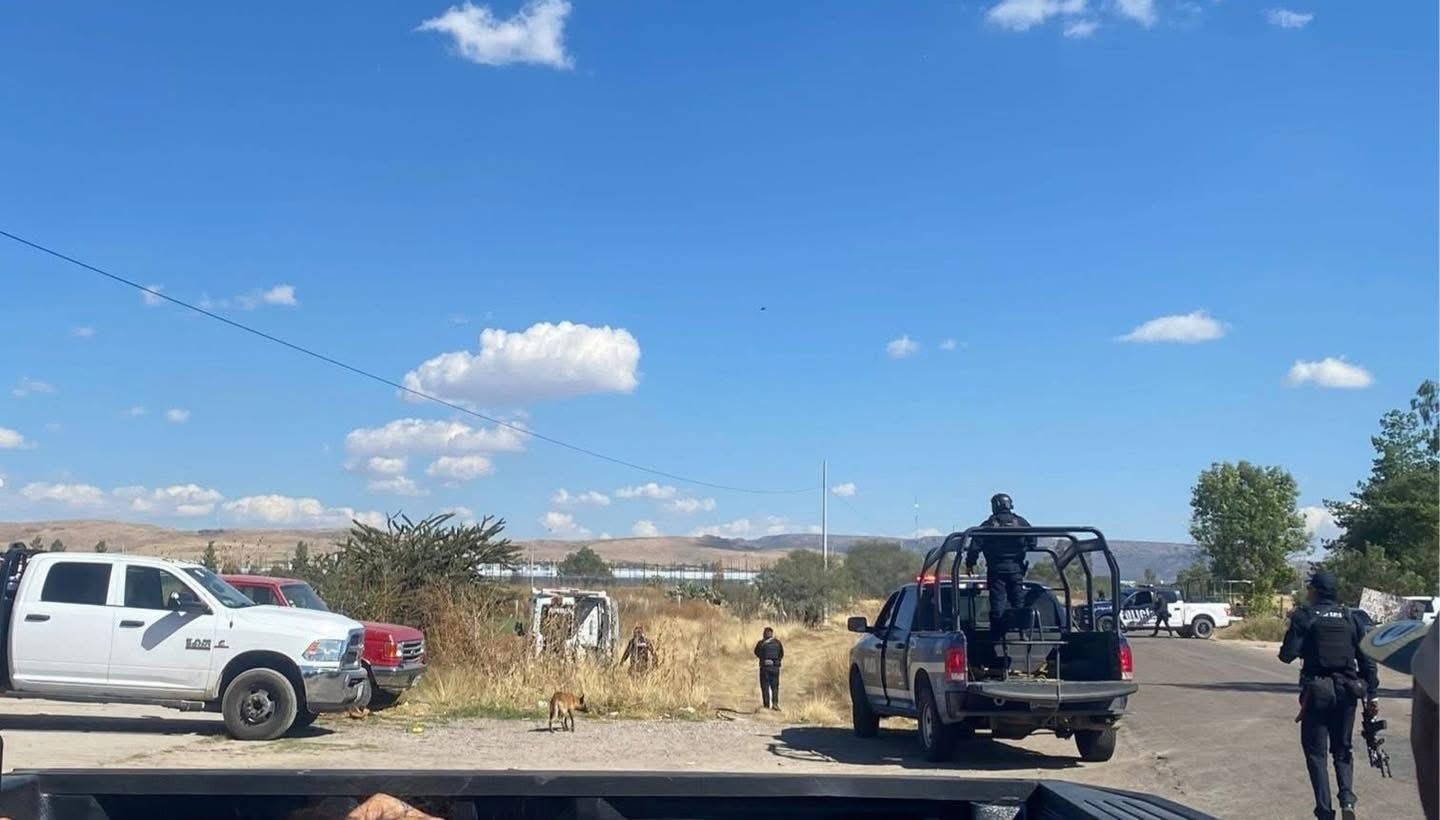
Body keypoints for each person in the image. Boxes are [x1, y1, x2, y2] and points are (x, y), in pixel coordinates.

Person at [1280, 572, 1379, 820]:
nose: (1307, 592)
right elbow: (1367, 661)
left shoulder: (1304, 616)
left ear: (1315, 591)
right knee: (1342, 750)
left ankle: (1325, 812)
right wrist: (1373, 695)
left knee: (1316, 755)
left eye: (1309, 588)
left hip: (1317, 693)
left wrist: (1296, 634)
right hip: (1348, 692)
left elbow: (1286, 655)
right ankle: (1347, 799)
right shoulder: (1350, 617)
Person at [963, 493, 1036, 648]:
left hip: (996, 570)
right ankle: (1022, 632)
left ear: (995, 506)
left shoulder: (988, 525)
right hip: (1016, 569)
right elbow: (1033, 542)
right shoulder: (1021, 523)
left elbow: (974, 546)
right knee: (1018, 601)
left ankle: (997, 636)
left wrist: (970, 564)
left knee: (998, 603)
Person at [754, 626, 783, 710]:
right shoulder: (778, 643)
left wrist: (763, 658)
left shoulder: (760, 643)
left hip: (764, 668)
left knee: (765, 687)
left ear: (764, 634)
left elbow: (756, 652)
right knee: (775, 687)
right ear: (772, 634)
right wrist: (776, 661)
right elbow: (781, 654)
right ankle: (775, 704)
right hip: (775, 668)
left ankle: (766, 705)